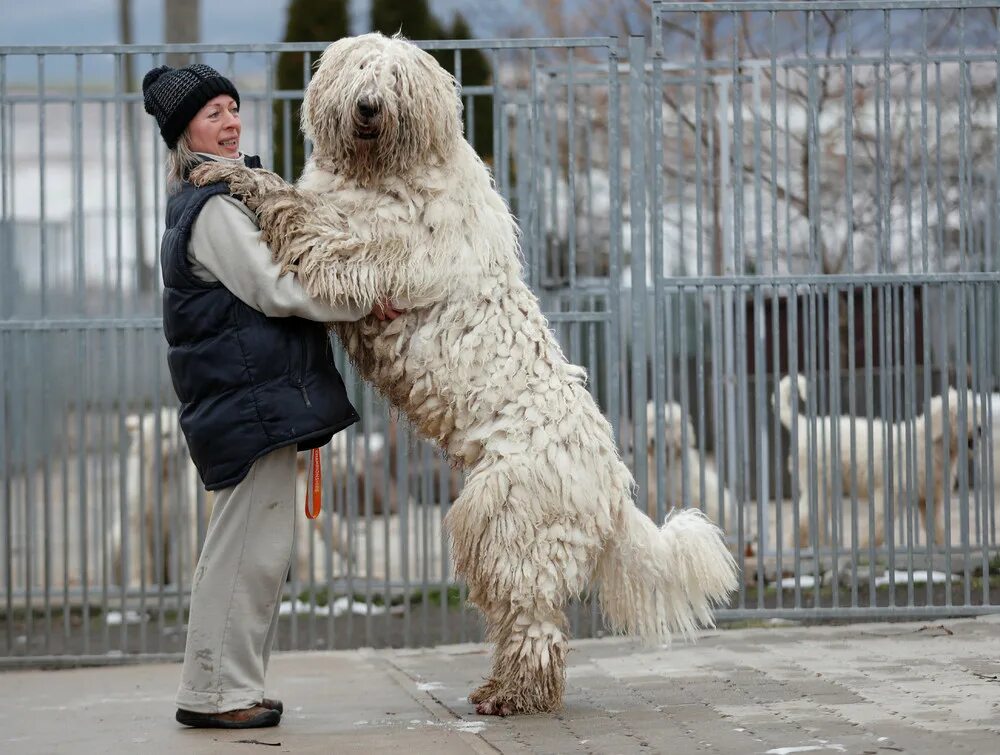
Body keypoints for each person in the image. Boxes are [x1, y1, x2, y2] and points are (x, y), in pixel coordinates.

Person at [142, 62, 398, 729]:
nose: (229, 123)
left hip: (247, 400)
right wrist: (362, 296)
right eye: (211, 114)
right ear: (184, 132)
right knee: (246, 553)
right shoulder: (214, 209)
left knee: (251, 549)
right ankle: (217, 694)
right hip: (246, 403)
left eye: (232, 107)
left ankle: (226, 686)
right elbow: (276, 287)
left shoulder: (216, 197)